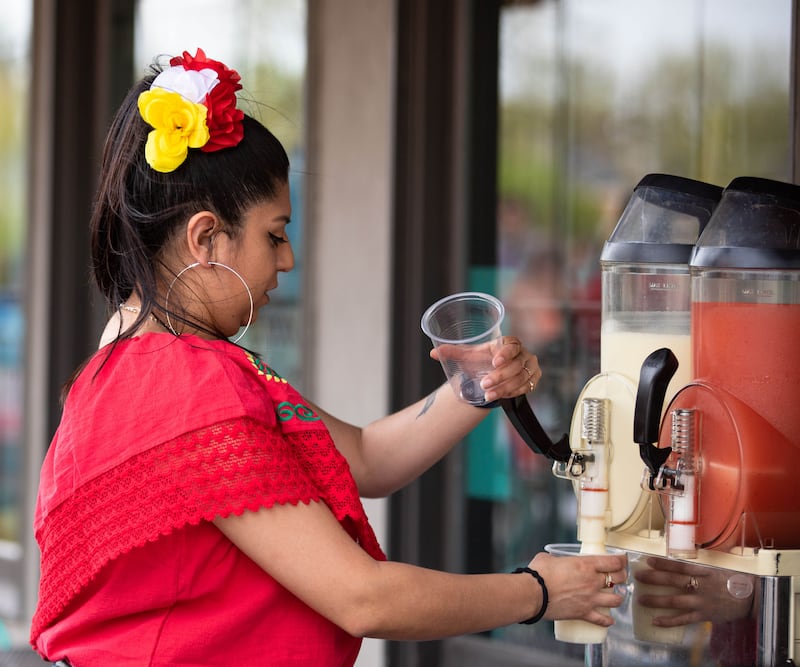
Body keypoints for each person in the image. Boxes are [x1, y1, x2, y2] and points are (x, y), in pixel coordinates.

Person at [30, 49, 627, 666]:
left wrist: (476, 385)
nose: (287, 261)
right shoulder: (186, 380)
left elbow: (367, 457)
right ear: (206, 238)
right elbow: (362, 597)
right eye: (275, 235)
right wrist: (537, 593)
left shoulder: (128, 364)